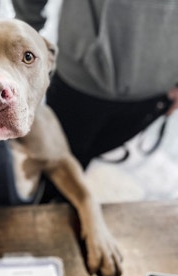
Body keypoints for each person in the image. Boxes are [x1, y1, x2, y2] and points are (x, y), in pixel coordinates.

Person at [13, 0, 178, 168]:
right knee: (52, 164)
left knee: (78, 165)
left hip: (155, 89)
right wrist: (26, 34)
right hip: (81, 80)